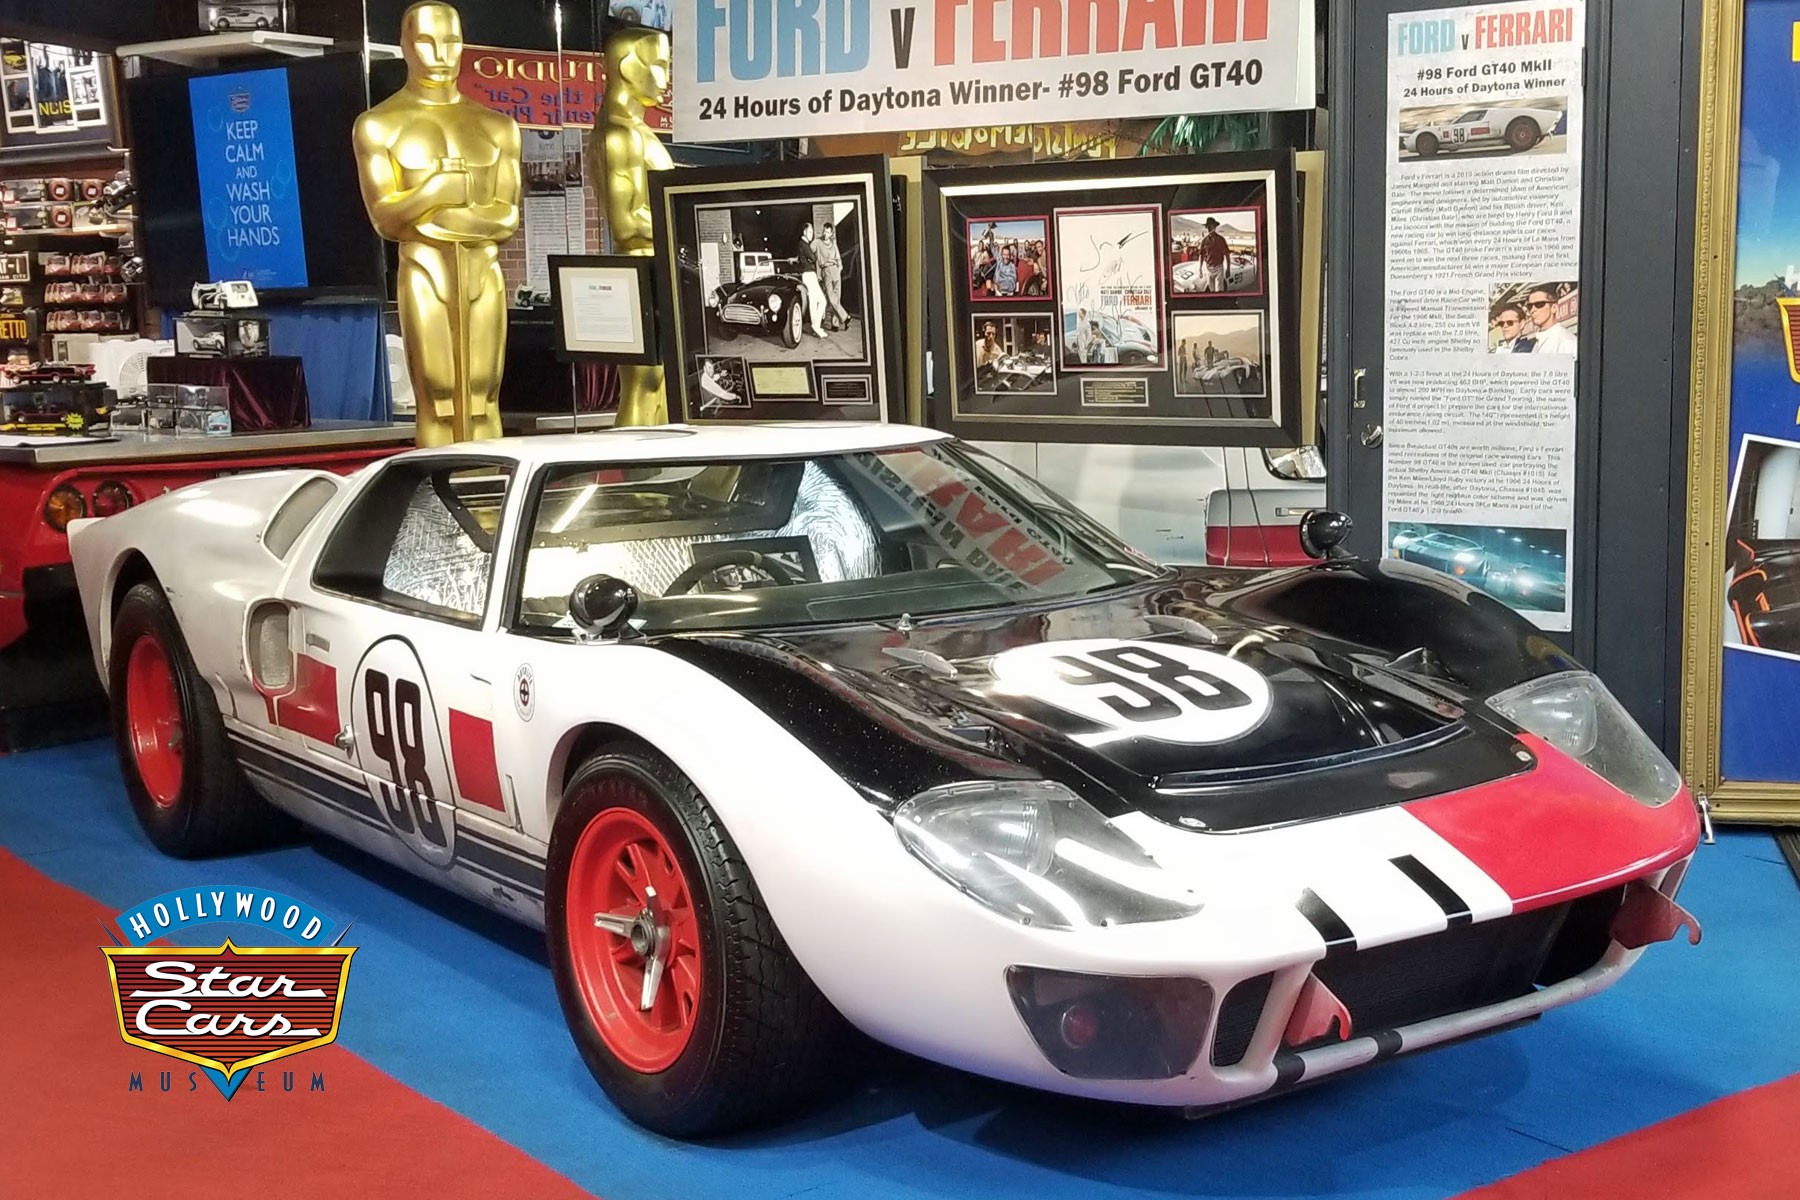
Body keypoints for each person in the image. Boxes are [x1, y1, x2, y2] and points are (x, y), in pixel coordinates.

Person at [795, 221, 828, 338]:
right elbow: (814, 258)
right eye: (809, 231)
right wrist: (811, 259)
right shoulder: (804, 244)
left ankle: (816, 326)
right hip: (809, 275)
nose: (811, 234)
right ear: (804, 232)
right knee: (822, 301)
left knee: (814, 302)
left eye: (812, 232)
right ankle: (816, 325)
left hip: (808, 275)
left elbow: (807, 259)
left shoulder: (803, 245)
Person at [1523, 286, 1577, 355]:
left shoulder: (1566, 342)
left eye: (1539, 304)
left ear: (1554, 308)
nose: (1533, 310)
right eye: (1530, 306)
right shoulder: (1538, 341)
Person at [817, 224, 850, 331]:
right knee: (831, 298)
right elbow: (812, 254)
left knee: (837, 298)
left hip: (836, 271)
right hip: (826, 271)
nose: (825, 234)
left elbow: (838, 258)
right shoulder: (818, 243)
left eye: (827, 232)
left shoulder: (834, 245)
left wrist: (839, 267)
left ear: (831, 234)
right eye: (824, 231)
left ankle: (835, 324)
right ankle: (845, 317)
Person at [1198, 217, 1230, 292]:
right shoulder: (1204, 241)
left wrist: (1228, 269)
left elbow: (1227, 254)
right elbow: (1201, 255)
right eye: (1207, 226)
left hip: (1219, 268)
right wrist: (1200, 269)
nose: (1208, 228)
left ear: (1215, 227)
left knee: (1219, 290)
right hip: (1209, 269)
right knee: (1211, 290)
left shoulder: (1221, 240)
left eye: (1210, 226)